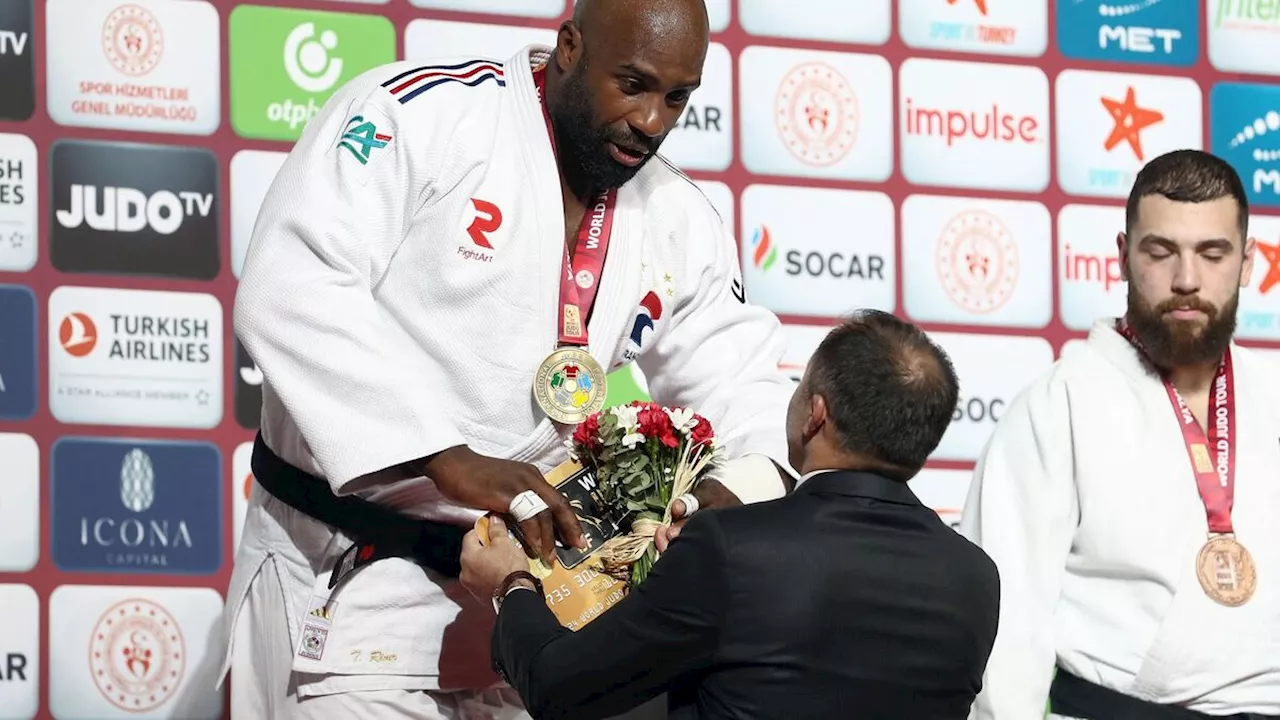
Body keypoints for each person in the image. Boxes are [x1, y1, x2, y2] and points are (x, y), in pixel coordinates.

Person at [217, 0, 799, 717]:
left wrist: (725, 496)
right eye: (634, 84)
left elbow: (750, 387)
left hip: (525, 605)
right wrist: (444, 456)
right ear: (569, 47)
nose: (652, 121)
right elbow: (293, 282)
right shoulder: (422, 119)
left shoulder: (679, 219)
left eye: (677, 97)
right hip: (342, 574)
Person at [459, 310, 1002, 720]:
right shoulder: (976, 578)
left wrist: (511, 584)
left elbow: (561, 687)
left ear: (815, 415)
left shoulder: (730, 548)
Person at [960, 149, 1280, 719]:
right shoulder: (1060, 404)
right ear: (1123, 256)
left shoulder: (1273, 392)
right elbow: (1003, 629)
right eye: (1161, 252)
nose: (1187, 280)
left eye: (1212, 254)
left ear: (1249, 262)